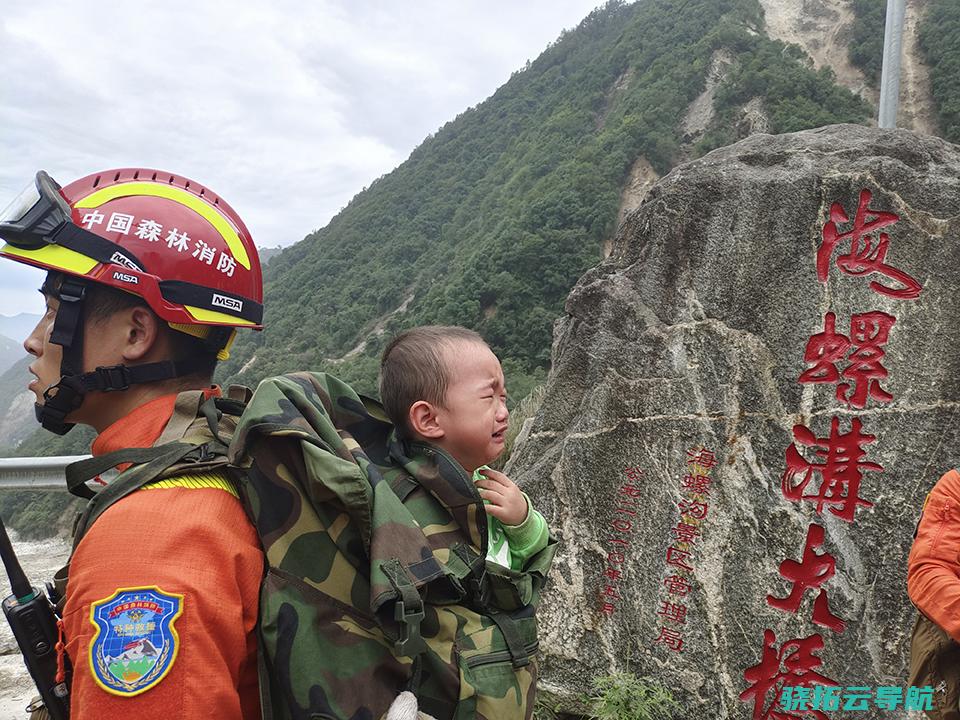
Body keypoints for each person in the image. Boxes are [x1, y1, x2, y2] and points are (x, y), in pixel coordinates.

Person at [0, 168, 265, 719]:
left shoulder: (149, 543)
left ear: (136, 335)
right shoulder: (231, 448)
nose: (32, 339)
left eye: (53, 310)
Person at [379, 325, 550, 577]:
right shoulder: (410, 511)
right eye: (488, 397)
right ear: (429, 419)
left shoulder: (485, 480)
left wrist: (522, 520)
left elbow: (534, 551)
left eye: (503, 397)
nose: (504, 411)